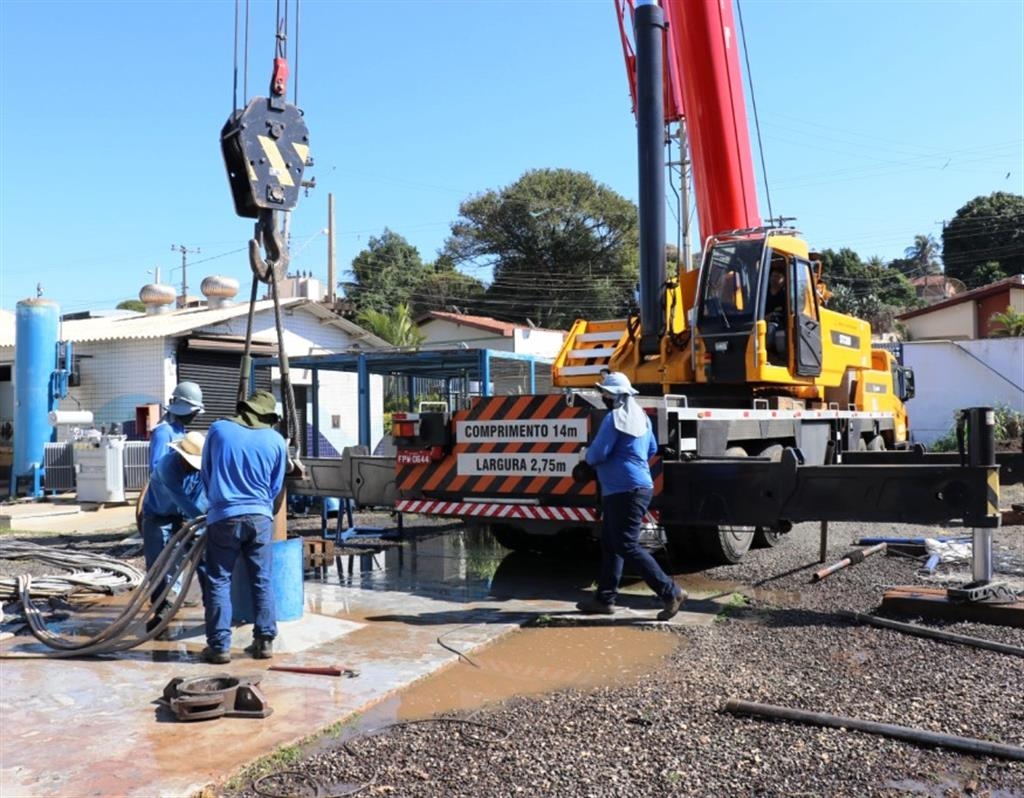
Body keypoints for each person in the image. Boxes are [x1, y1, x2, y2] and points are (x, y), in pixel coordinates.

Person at [576, 372, 686, 621]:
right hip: (636, 488)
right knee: (610, 543)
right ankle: (605, 599)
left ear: (615, 396)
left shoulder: (614, 418)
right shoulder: (642, 418)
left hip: (624, 491)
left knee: (626, 545)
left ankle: (671, 592)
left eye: (605, 393)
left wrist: (585, 455)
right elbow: (652, 449)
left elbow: (598, 454)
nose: (603, 396)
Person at [199, 390, 287, 664]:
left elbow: (206, 472)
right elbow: (276, 485)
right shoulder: (276, 440)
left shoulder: (218, 429)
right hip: (260, 517)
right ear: (268, 416)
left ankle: (219, 647)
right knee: (262, 579)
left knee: (219, 579)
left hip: (223, 515)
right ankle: (264, 642)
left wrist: (219, 502)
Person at [140, 431, 209, 638]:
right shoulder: (167, 467)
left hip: (187, 514)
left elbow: (203, 495)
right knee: (159, 563)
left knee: (203, 557)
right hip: (158, 516)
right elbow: (181, 499)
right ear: (182, 456)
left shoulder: (202, 469)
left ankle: (214, 607)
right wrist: (201, 520)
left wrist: (201, 525)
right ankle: (162, 608)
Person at [149, 381, 205, 473]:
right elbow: (156, 470)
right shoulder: (163, 432)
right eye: (193, 413)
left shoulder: (179, 428)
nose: (195, 417)